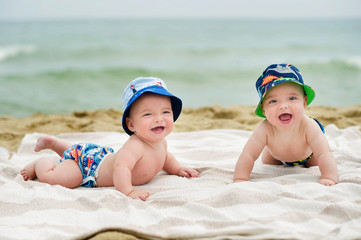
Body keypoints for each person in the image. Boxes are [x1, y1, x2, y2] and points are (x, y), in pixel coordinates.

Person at [21, 77, 200, 200]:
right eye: (147, 114)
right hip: (89, 169)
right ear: (131, 125)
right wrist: (128, 192)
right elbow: (120, 168)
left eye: (166, 112)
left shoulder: (161, 143)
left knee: (77, 151)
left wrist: (177, 169)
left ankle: (54, 143)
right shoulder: (135, 146)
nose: (159, 118)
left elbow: (164, 158)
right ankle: (40, 165)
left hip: (95, 155)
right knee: (63, 178)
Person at [233, 64, 338, 186]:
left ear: (304, 102)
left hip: (308, 156)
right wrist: (240, 178)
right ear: (263, 108)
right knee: (267, 163)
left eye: (292, 98)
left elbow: (324, 153)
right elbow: (248, 155)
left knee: (317, 161)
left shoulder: (309, 126)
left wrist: (329, 177)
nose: (283, 106)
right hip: (275, 156)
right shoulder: (264, 129)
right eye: (273, 101)